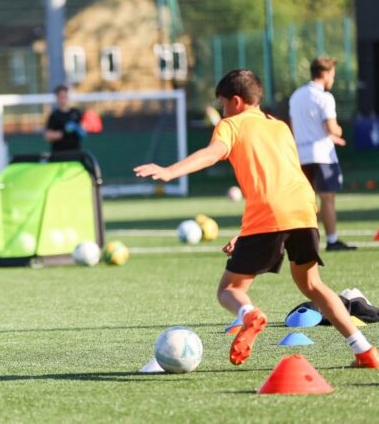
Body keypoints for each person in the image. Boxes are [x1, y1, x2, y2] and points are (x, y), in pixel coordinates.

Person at [134, 69, 378, 368]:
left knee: (230, 290)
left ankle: (249, 315)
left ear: (236, 101)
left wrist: (170, 171)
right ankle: (365, 351)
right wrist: (245, 232)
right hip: (303, 209)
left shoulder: (230, 125)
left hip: (269, 213)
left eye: (223, 104)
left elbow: (212, 153)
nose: (223, 111)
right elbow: (284, 177)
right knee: (313, 285)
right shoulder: (279, 126)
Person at [289, 57, 356, 251]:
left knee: (306, 201)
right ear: (325, 74)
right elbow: (331, 128)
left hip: (301, 155)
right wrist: (338, 132)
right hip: (322, 156)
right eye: (332, 75)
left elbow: (295, 127)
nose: (333, 79)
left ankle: (302, 242)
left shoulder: (296, 96)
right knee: (327, 199)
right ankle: (332, 240)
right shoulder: (324, 97)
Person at [44, 84, 85, 153]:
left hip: (75, 152)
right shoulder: (54, 115)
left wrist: (80, 130)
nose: (63, 99)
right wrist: (63, 132)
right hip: (59, 154)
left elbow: (83, 127)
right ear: (57, 98)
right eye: (61, 97)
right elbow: (47, 136)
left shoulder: (76, 112)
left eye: (65, 96)